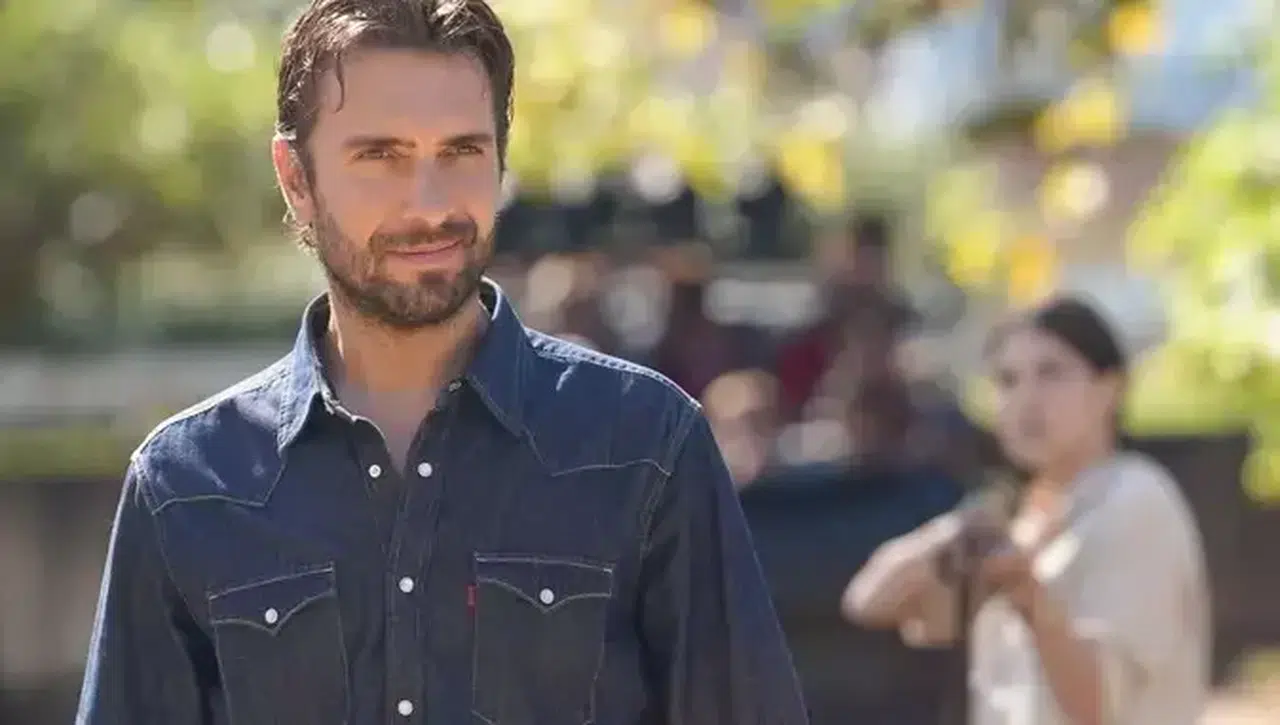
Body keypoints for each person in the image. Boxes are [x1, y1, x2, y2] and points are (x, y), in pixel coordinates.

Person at [74, 2, 807, 724]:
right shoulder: (185, 487)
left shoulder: (646, 448)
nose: (429, 205)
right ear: (296, 179)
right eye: (381, 155)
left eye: (460, 151)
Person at [841, 296, 1210, 725]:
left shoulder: (1133, 501)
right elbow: (868, 601)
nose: (1027, 400)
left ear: (1110, 388)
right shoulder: (1016, 517)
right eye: (1008, 380)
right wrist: (955, 532)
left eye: (1051, 373)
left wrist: (1032, 599)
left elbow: (1102, 708)